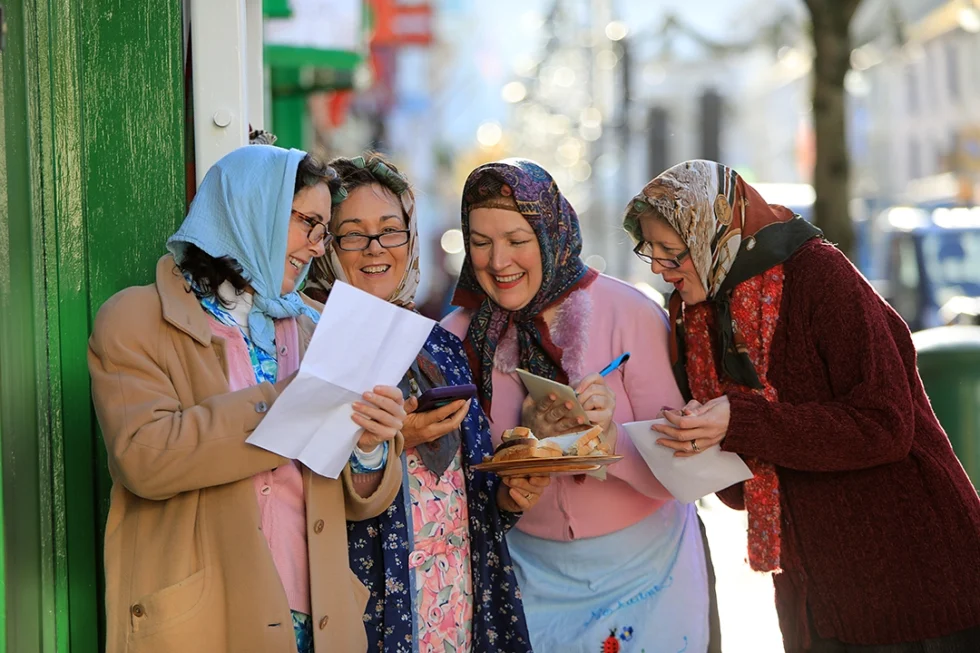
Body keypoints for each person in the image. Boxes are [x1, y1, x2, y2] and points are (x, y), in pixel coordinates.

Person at [622, 159, 980, 653]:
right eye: (651, 252)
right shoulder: (698, 307)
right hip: (813, 585)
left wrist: (739, 422)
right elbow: (744, 472)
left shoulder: (817, 274)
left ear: (717, 229)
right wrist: (697, 440)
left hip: (909, 575)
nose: (663, 270)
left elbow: (885, 424)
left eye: (673, 252)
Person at [88, 144, 408, 653]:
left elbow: (352, 497)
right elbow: (144, 457)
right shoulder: (136, 319)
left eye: (324, 230)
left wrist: (369, 444)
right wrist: (284, 404)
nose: (318, 246)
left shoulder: (312, 326)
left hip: (314, 618)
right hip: (206, 620)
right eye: (308, 223)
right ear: (254, 208)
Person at [441, 158, 716, 653]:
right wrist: (515, 460)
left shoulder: (629, 312)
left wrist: (605, 439)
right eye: (481, 243)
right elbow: (443, 483)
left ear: (550, 232)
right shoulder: (457, 337)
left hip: (646, 573)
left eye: (517, 240)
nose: (498, 261)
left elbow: (685, 469)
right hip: (526, 578)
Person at [305, 153, 539, 653]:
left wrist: (508, 491)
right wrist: (394, 440)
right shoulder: (307, 341)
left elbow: (469, 491)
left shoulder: (439, 345)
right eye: (352, 233)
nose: (376, 249)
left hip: (456, 605)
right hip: (370, 604)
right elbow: (290, 483)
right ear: (325, 244)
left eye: (391, 231)